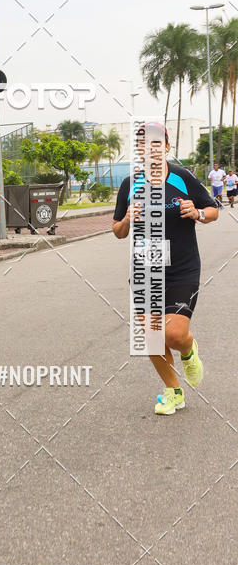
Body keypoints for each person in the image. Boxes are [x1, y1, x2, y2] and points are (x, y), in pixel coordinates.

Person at [113, 123, 218, 415]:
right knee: (150, 335)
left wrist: (197, 212)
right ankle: (173, 391)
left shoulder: (183, 178)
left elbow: (213, 210)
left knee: (173, 334)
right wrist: (127, 220)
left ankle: (188, 349)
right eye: (144, 145)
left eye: (156, 144)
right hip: (146, 269)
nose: (150, 150)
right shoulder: (129, 184)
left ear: (167, 148)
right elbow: (117, 231)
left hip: (183, 268)